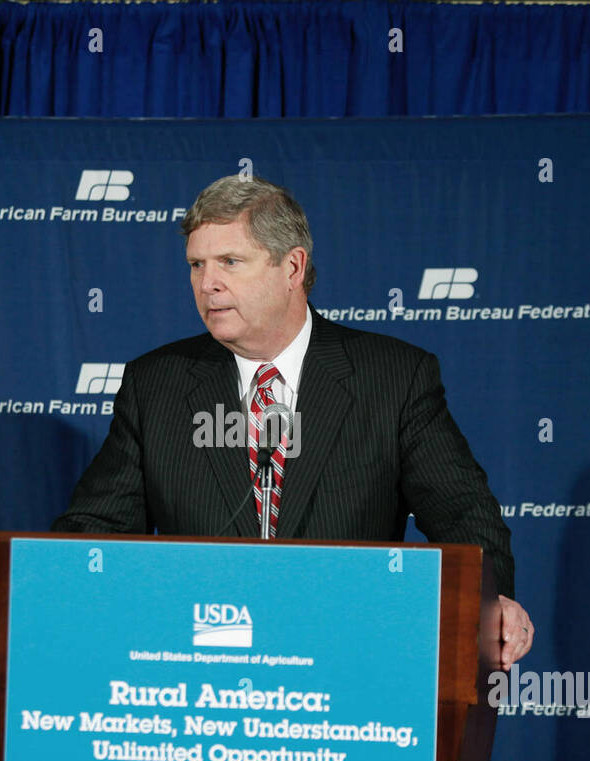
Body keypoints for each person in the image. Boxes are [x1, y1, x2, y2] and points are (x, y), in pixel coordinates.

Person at [52, 175, 534, 668]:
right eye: (196, 265)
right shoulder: (156, 385)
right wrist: (52, 591)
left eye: (230, 263)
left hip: (347, 663)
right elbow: (97, 529)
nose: (207, 283)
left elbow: (463, 515)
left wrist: (486, 603)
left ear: (292, 267)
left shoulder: (392, 378)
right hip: (201, 669)